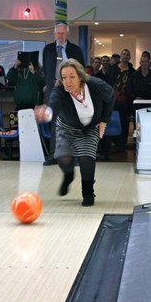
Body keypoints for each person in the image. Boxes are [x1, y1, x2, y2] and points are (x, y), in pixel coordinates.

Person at [34, 59, 114, 206]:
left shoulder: (95, 85)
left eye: (72, 76)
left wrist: (104, 120)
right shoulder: (59, 90)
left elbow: (110, 97)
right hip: (67, 127)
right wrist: (46, 113)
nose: (67, 81)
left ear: (80, 76)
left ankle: (88, 193)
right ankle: (68, 175)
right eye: (64, 77)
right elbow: (53, 106)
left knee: (86, 157)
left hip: (89, 128)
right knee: (63, 158)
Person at [42, 23, 85, 166]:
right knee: (54, 125)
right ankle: (53, 156)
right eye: (58, 33)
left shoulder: (76, 50)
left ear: (67, 35)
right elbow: (46, 71)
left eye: (62, 33)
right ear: (54, 34)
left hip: (71, 90)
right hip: (53, 91)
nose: (60, 36)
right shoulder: (48, 49)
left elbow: (81, 71)